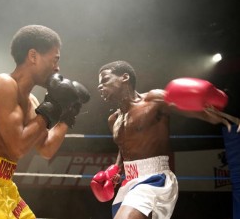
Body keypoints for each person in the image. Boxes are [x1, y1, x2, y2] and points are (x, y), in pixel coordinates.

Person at [0, 25, 90, 218]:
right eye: (54, 59)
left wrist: (66, 117)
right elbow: (17, 147)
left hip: (5, 185)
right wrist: (52, 107)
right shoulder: (1, 84)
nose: (57, 68)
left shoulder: (32, 102)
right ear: (33, 56)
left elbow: (46, 149)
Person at [90, 60, 240, 219]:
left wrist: (216, 112)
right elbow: (123, 146)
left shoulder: (153, 100)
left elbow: (190, 109)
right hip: (129, 181)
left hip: (155, 178)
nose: (100, 86)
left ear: (124, 77)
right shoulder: (113, 119)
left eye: (105, 80)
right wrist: (116, 168)